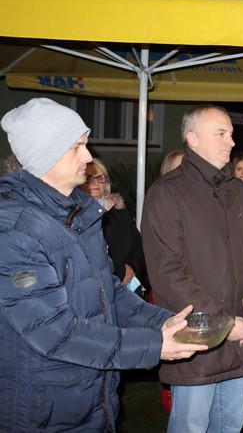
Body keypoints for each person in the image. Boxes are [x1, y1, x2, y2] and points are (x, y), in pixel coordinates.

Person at [0, 97, 205, 431]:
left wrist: (162, 322)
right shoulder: (14, 229)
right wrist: (154, 346)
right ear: (44, 153)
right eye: (76, 147)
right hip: (42, 411)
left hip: (91, 396)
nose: (88, 157)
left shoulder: (79, 214)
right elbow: (55, 331)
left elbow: (109, 290)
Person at [141, 104, 243, 433]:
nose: (231, 141)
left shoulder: (238, 192)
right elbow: (168, 273)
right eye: (221, 133)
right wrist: (223, 324)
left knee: (230, 426)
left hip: (241, 338)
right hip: (197, 341)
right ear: (192, 139)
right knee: (192, 427)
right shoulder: (167, 193)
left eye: (231, 133)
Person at [80, 158, 149, 299]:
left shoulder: (119, 212)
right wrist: (120, 272)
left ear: (106, 184)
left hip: (130, 288)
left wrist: (131, 269)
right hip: (95, 291)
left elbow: (139, 247)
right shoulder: (74, 216)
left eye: (100, 178)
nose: (95, 182)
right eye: (89, 178)